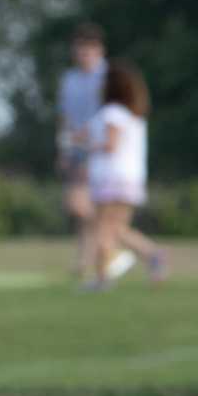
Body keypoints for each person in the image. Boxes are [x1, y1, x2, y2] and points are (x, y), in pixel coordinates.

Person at [84, 60, 167, 288]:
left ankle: (103, 277)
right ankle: (152, 254)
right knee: (118, 228)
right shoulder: (135, 116)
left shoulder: (112, 112)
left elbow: (110, 145)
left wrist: (86, 144)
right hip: (131, 178)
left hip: (111, 177)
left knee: (102, 228)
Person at [56, 24, 109, 282]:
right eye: (78, 50)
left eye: (87, 50)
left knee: (85, 205)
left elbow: (108, 117)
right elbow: (65, 116)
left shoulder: (108, 76)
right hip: (76, 147)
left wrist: (87, 142)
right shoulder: (70, 79)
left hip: (101, 149)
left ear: (99, 50)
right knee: (79, 208)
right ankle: (86, 259)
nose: (82, 55)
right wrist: (64, 148)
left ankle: (110, 246)